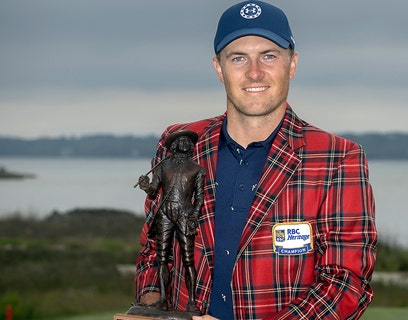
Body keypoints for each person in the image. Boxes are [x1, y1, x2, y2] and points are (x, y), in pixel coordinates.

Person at [134, 1, 377, 319]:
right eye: (238, 58)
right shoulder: (180, 144)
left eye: (269, 56)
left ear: (292, 64)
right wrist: (152, 304)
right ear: (219, 68)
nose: (254, 72)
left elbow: (345, 284)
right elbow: (154, 247)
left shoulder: (337, 158)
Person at [137, 130, 205, 313]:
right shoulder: (162, 166)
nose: (184, 143)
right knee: (162, 257)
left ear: (190, 147)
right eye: (181, 141)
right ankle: (163, 299)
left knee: (188, 259)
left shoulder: (197, 169)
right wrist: (145, 185)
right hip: (165, 214)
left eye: (187, 142)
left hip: (184, 213)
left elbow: (199, 197)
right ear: (174, 146)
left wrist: (194, 215)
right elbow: (153, 190)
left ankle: (191, 301)